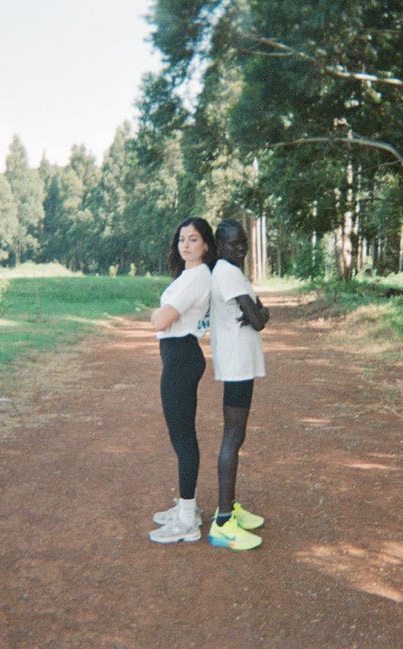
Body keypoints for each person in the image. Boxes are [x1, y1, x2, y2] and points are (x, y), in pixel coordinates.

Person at [148, 217, 217, 544]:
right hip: (178, 355)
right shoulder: (191, 275)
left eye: (193, 239)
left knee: (183, 437)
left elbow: (160, 319)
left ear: (205, 244)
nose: (186, 245)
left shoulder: (196, 277)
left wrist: (155, 317)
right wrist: (159, 320)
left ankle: (188, 517)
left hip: (181, 356)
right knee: (181, 436)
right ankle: (186, 508)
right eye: (181, 240)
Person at [207, 219, 270, 551]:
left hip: (241, 363)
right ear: (220, 246)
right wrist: (261, 313)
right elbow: (257, 320)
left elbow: (257, 314)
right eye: (233, 243)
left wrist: (260, 312)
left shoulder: (232, 271)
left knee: (237, 434)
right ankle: (223, 523)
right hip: (236, 364)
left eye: (243, 242)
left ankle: (228, 506)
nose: (240, 248)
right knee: (232, 435)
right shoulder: (228, 272)